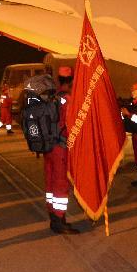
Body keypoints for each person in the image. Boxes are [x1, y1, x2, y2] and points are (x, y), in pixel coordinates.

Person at [43, 70, 81, 234]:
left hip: (48, 146)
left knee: (50, 181)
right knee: (60, 183)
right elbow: (72, 125)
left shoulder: (52, 96)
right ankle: (59, 220)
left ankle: (53, 216)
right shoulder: (68, 99)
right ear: (71, 80)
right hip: (60, 147)